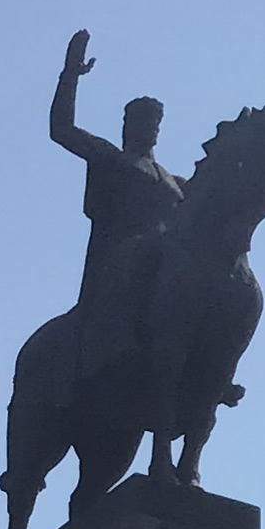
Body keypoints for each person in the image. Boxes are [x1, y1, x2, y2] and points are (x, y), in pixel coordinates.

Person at [49, 27, 181, 382]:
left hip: (163, 262)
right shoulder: (112, 158)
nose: (147, 128)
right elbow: (62, 130)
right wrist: (70, 74)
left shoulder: (174, 181)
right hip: (118, 261)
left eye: (152, 123)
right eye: (138, 121)